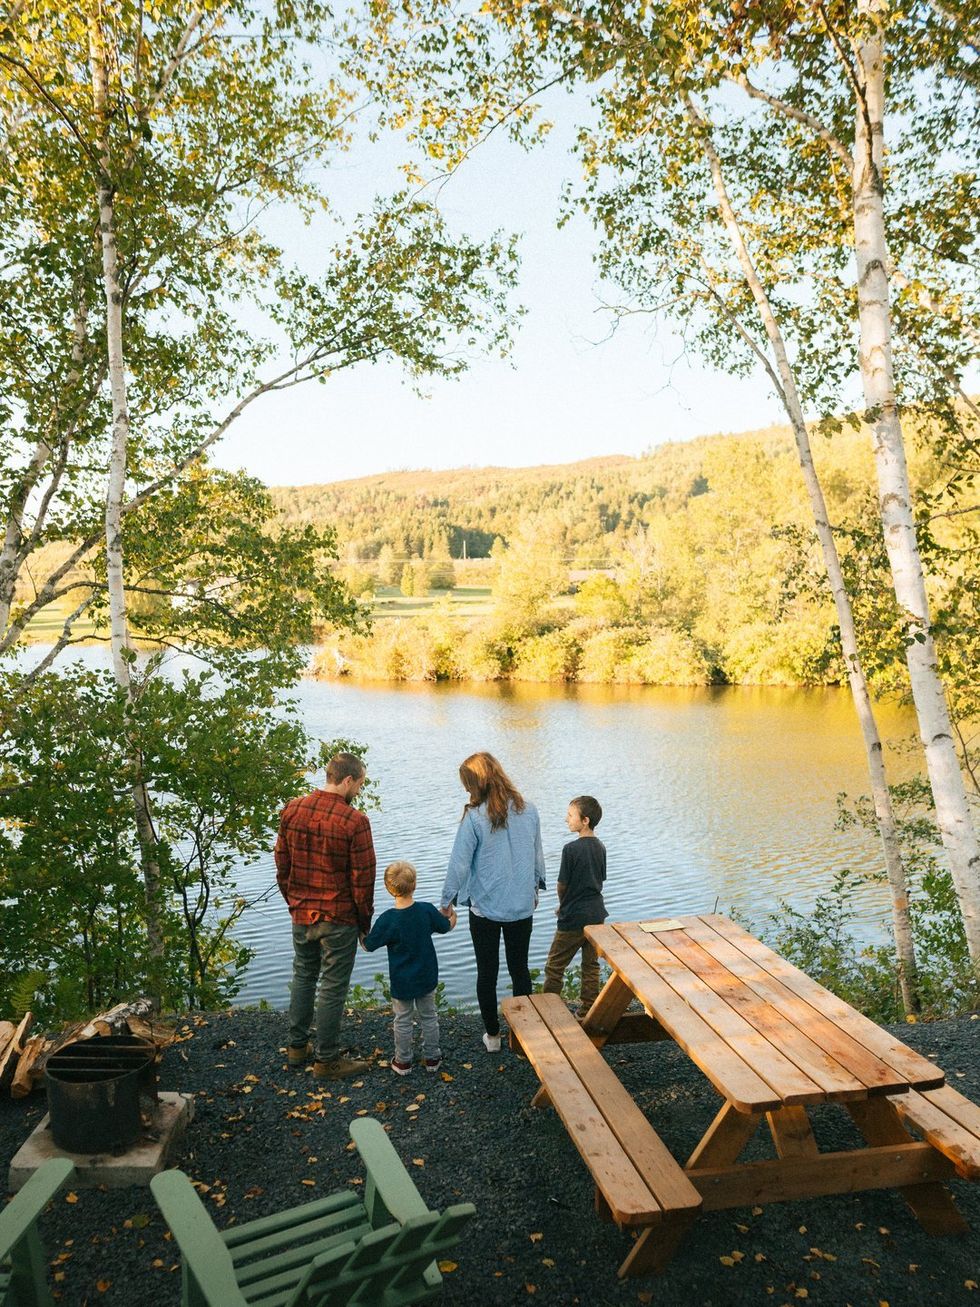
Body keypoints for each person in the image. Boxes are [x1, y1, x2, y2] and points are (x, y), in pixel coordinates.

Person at [275, 751, 376, 1079]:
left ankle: (296, 1048)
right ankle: (327, 1060)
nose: (358, 791)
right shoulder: (354, 821)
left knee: (303, 975)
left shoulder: (293, 809)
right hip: (338, 918)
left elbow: (282, 862)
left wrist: (293, 900)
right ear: (347, 780)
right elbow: (363, 879)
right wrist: (365, 924)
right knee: (332, 987)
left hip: (302, 913)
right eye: (359, 784)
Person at [440, 752, 545, 1053]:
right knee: (520, 969)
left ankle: (493, 1037)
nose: (465, 790)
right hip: (521, 906)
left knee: (487, 971)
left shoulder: (474, 818)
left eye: (467, 784)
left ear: (476, 784)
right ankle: (523, 1036)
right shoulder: (530, 810)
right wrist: (535, 888)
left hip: (485, 907)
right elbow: (537, 853)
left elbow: (459, 863)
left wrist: (447, 901)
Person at [363, 860, 456, 1075]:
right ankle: (432, 1058)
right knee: (429, 1016)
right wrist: (453, 915)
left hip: (402, 980)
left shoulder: (387, 920)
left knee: (402, 1019)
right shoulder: (425, 910)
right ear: (414, 885)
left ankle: (403, 1061)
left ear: (388, 889)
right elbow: (445, 926)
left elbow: (368, 945)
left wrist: (361, 932)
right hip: (426, 976)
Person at [542, 795, 607, 1013]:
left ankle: (550, 1009)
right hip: (597, 913)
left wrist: (563, 904)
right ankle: (589, 1007)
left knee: (555, 965)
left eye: (570, 815)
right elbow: (599, 880)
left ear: (585, 820)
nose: (566, 819)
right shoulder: (600, 847)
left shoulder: (570, 849)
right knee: (591, 964)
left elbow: (562, 884)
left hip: (574, 916)